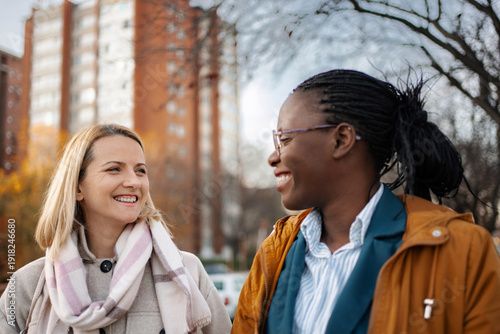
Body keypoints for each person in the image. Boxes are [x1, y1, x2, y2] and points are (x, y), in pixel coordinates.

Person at [232, 70, 500, 334]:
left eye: (285, 139)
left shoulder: (463, 250)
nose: (272, 157)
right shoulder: (273, 253)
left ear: (341, 139)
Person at [0, 124, 232, 334]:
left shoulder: (187, 272)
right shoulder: (27, 283)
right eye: (114, 169)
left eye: (140, 170)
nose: (134, 181)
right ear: (77, 187)